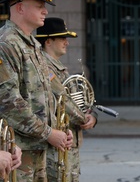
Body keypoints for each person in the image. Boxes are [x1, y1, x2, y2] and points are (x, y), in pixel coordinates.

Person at [0, 0, 73, 181]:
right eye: (40, 5)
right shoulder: (6, 44)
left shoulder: (32, 44)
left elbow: (46, 95)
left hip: (37, 147)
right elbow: (9, 103)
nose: (45, 11)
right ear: (20, 8)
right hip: (17, 152)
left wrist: (57, 131)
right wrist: (49, 133)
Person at [36, 17, 97, 182]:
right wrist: (86, 119)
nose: (67, 42)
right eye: (62, 38)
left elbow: (77, 101)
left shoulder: (58, 67)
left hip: (69, 141)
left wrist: (91, 115)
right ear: (48, 41)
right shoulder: (46, 68)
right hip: (57, 145)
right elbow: (65, 101)